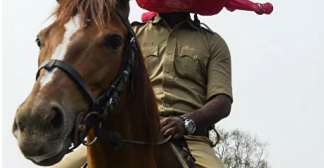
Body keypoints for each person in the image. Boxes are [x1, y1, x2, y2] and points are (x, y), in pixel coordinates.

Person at [53, 12, 232, 168]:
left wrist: (185, 122)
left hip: (190, 139)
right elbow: (104, 81)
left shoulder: (213, 42)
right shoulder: (131, 34)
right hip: (127, 131)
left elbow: (222, 101)